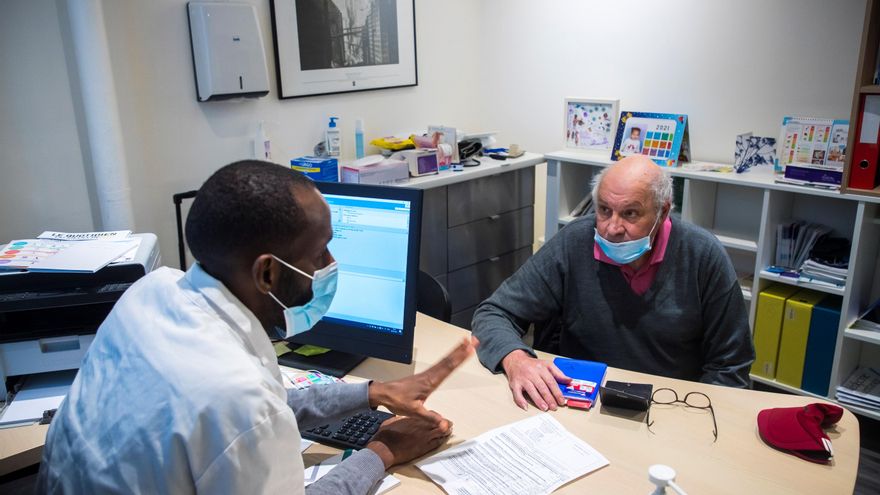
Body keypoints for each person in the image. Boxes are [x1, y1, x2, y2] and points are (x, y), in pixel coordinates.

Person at [37, 160, 476, 494]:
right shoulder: (235, 397)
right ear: (267, 273)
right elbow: (247, 410)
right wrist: (384, 452)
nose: (331, 266)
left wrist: (372, 393)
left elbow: (263, 404)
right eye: (320, 253)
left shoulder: (152, 293)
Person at [471, 155, 754, 412]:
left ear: (662, 212)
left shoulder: (703, 255)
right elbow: (494, 313)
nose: (612, 228)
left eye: (630, 213)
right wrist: (517, 359)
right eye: (604, 210)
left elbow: (730, 366)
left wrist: (693, 422)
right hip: (580, 401)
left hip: (668, 407)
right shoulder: (574, 242)